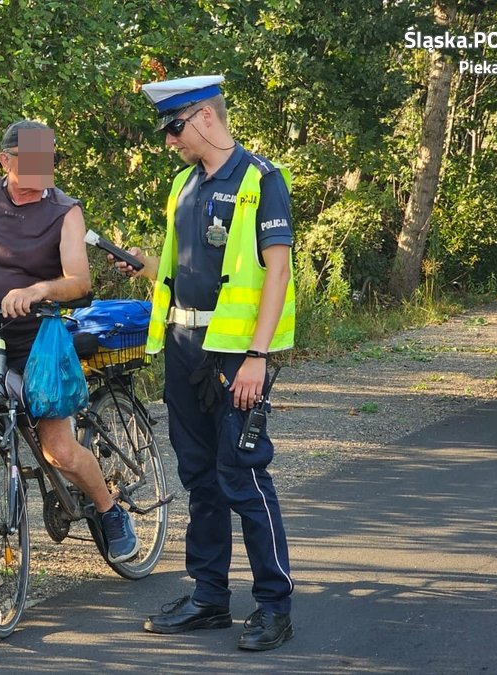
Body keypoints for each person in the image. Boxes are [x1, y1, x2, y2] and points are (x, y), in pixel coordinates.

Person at [0, 119, 140, 598]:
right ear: (5, 160)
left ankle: (108, 510)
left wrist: (37, 290)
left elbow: (78, 280)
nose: (42, 168)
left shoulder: (64, 210)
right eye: (32, 159)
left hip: (36, 342)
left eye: (48, 159)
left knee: (58, 449)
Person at [111, 75, 297, 651]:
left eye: (174, 128)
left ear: (205, 118)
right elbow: (183, 270)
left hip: (236, 357)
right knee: (200, 478)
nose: (169, 141)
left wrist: (257, 356)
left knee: (243, 477)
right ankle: (209, 598)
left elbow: (277, 272)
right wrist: (144, 264)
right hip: (183, 349)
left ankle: (275, 606)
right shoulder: (183, 185)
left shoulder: (260, 180)